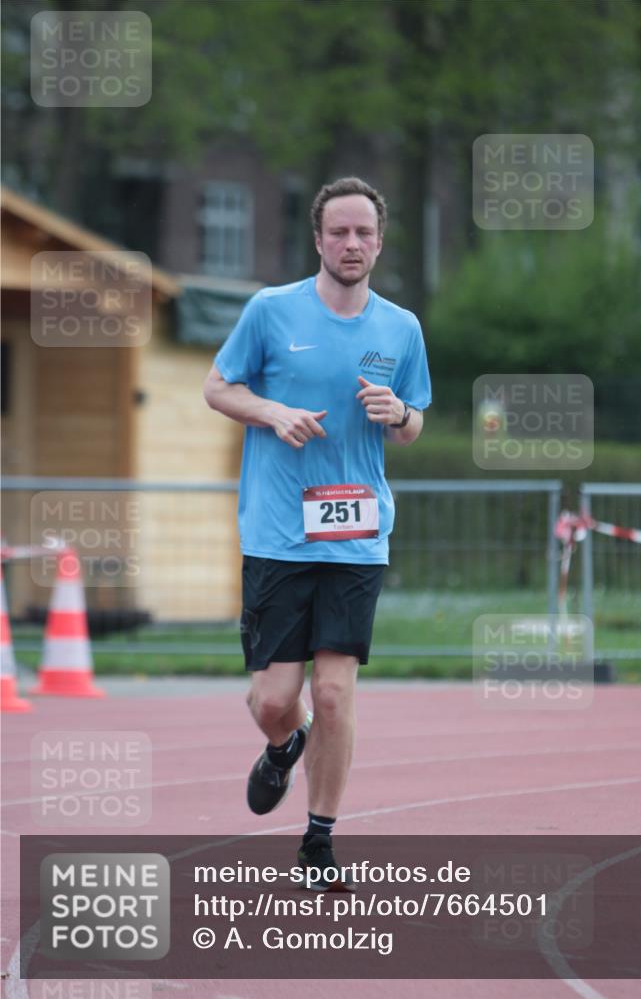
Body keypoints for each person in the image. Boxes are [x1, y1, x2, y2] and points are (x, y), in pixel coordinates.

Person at [203, 176, 431, 890]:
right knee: (274, 700)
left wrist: (397, 413)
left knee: (334, 692)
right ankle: (284, 743)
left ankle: (319, 838)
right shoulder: (271, 311)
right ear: (318, 238)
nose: (353, 243)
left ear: (379, 240)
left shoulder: (400, 328)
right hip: (277, 534)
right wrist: (271, 413)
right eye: (340, 232)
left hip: (358, 534)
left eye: (364, 232)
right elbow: (218, 387)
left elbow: (415, 425)